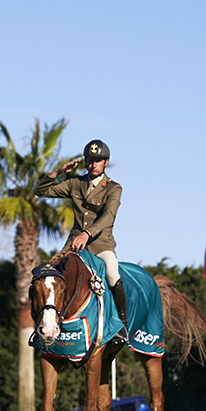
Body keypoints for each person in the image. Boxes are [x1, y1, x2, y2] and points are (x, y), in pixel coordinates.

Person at [33, 139, 128, 328]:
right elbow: (39, 191)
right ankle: (48, 323)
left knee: (111, 274)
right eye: (90, 160)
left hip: (101, 244)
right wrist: (58, 172)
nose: (93, 164)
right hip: (73, 245)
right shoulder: (75, 183)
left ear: (105, 162)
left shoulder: (113, 188)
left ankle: (121, 325)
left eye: (98, 160)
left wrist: (87, 233)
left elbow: (108, 216)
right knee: (50, 277)